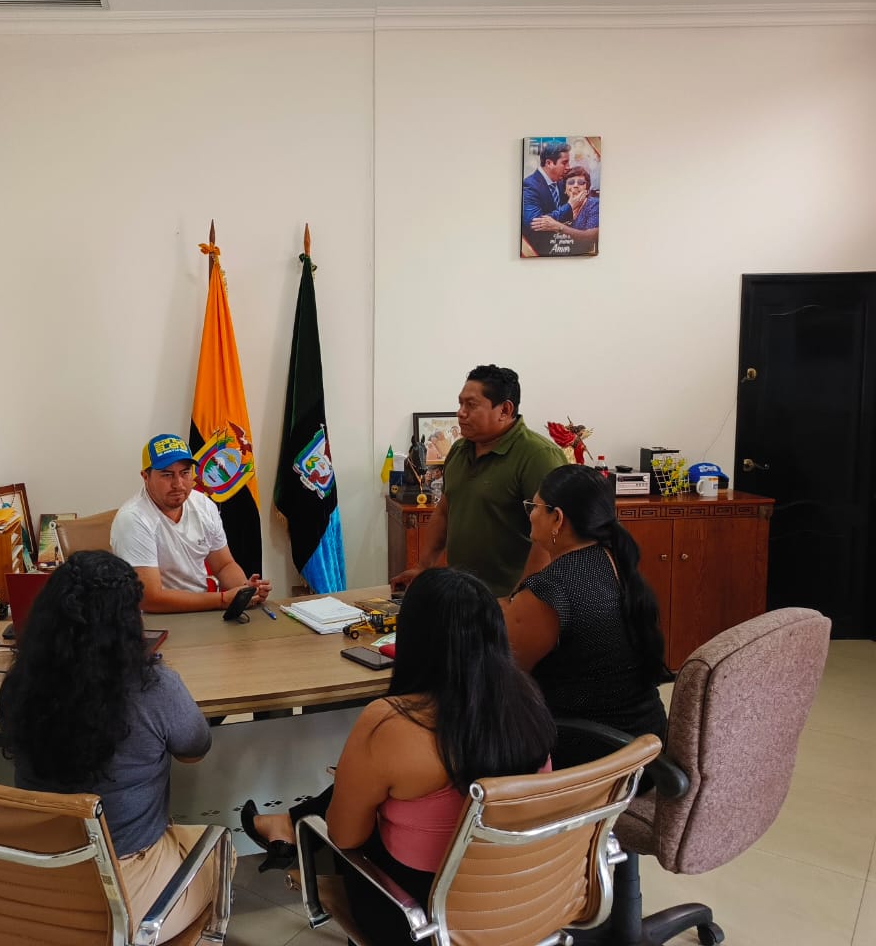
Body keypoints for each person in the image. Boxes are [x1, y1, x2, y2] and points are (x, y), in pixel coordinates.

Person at [242, 569, 556, 943]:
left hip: (418, 920)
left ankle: (289, 824)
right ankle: (288, 822)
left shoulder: (391, 722)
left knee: (357, 808)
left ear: (411, 639)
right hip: (520, 905)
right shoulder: (529, 704)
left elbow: (344, 836)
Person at [0, 550, 229, 940]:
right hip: (127, 891)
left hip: (43, 884)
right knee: (222, 853)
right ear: (129, 623)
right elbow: (195, 750)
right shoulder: (154, 688)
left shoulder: (21, 685)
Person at [503, 465, 670, 751]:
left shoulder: (549, 590)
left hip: (589, 754)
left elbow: (504, 676)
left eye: (534, 507)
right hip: (645, 745)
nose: (530, 515)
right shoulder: (613, 560)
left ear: (557, 518)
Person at [392, 365, 567, 598]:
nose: (460, 413)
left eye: (471, 405)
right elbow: (445, 510)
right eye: (460, 404)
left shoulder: (538, 456)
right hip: (463, 596)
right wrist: (423, 566)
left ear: (504, 409)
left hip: (510, 599)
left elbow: (552, 536)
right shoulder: (459, 450)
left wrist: (523, 598)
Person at [111, 432, 271, 612]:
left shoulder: (204, 505)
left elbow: (224, 565)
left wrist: (245, 591)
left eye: (185, 473)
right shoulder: (133, 519)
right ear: (145, 477)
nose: (178, 484)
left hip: (202, 609)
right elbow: (150, 599)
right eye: (167, 475)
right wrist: (222, 600)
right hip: (152, 619)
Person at [529, 164, 600, 256]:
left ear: (587, 188)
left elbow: (590, 237)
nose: (575, 185)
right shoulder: (561, 205)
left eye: (581, 182)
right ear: (565, 189)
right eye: (571, 182)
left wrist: (558, 226)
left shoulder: (594, 204)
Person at [521, 140, 574, 256]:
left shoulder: (561, 181)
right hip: (540, 251)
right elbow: (535, 224)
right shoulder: (529, 185)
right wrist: (569, 207)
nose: (568, 167)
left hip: (562, 245)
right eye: (564, 163)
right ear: (549, 163)